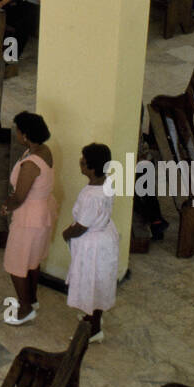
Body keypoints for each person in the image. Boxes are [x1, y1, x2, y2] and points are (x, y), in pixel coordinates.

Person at [2, 111, 56, 325]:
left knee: (16, 262)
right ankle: (32, 300)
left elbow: (20, 196)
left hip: (29, 217)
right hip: (42, 211)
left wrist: (7, 206)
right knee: (32, 260)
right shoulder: (44, 150)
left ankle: (24, 308)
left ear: (24, 135)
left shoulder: (31, 164)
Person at [62, 142, 120, 342]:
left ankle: (93, 329)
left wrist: (66, 233)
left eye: (83, 161)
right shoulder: (106, 183)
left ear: (91, 168)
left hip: (93, 243)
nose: (80, 162)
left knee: (92, 282)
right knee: (99, 280)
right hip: (105, 236)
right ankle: (93, 316)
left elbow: (81, 226)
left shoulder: (90, 197)